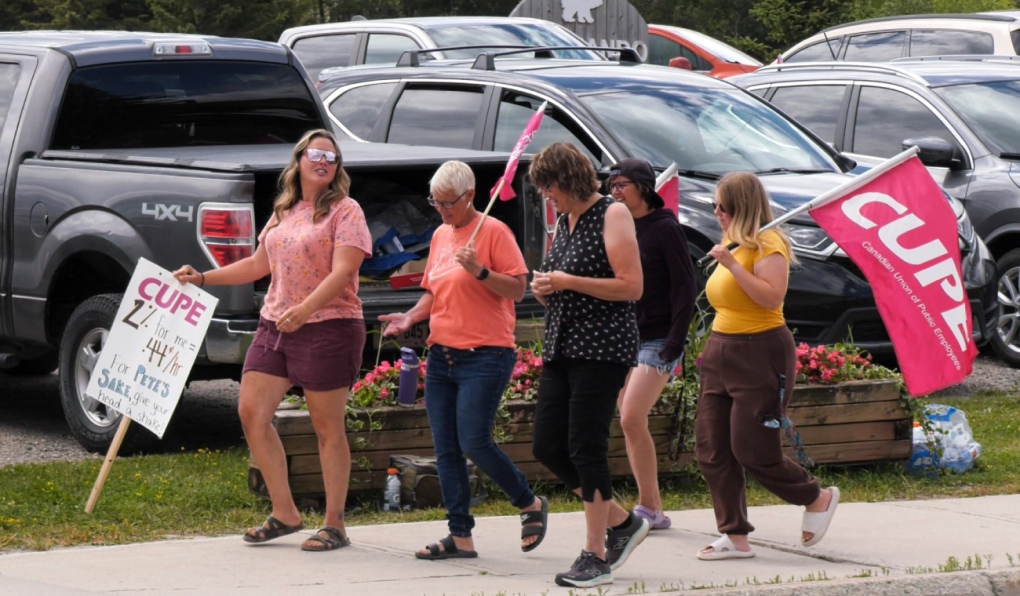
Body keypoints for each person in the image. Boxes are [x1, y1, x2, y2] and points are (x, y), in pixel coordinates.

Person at [173, 129, 372, 552]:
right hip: (276, 326)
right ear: (299, 160)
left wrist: (306, 309)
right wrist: (203, 279)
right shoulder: (285, 210)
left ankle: (334, 523)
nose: (324, 162)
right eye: (316, 154)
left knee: (327, 427)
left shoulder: (345, 211)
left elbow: (342, 273)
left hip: (329, 325)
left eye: (332, 158)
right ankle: (285, 512)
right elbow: (258, 264)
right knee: (250, 412)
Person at [379, 160, 548, 560]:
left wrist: (481, 271)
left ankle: (529, 502)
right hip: (443, 356)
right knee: (446, 448)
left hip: (486, 353)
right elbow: (434, 293)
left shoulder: (494, 231)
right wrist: (410, 317)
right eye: (435, 202)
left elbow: (518, 290)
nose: (441, 210)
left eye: (447, 202)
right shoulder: (440, 235)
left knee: (474, 440)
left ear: (470, 196)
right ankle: (460, 536)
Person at [695, 171, 839, 561]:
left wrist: (733, 264)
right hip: (720, 350)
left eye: (721, 206)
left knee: (753, 449)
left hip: (760, 352)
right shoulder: (733, 240)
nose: (716, 213)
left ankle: (816, 497)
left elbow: (770, 297)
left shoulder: (768, 241)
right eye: (714, 206)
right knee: (712, 449)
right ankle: (735, 535)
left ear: (739, 207)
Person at [528, 142, 649, 588]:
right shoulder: (565, 220)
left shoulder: (612, 214)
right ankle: (622, 522)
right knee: (547, 445)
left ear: (568, 179)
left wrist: (565, 281)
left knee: (585, 447)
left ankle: (595, 554)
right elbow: (563, 279)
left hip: (601, 350)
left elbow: (631, 286)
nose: (546, 196)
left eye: (549, 186)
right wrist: (545, 286)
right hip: (562, 346)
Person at [609, 158, 696, 531]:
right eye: (611, 184)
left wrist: (675, 342)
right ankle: (654, 508)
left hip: (659, 338)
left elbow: (686, 288)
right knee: (629, 422)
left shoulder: (665, 229)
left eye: (622, 184)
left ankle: (648, 506)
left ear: (643, 187)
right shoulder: (618, 225)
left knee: (631, 415)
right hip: (627, 337)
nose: (614, 191)